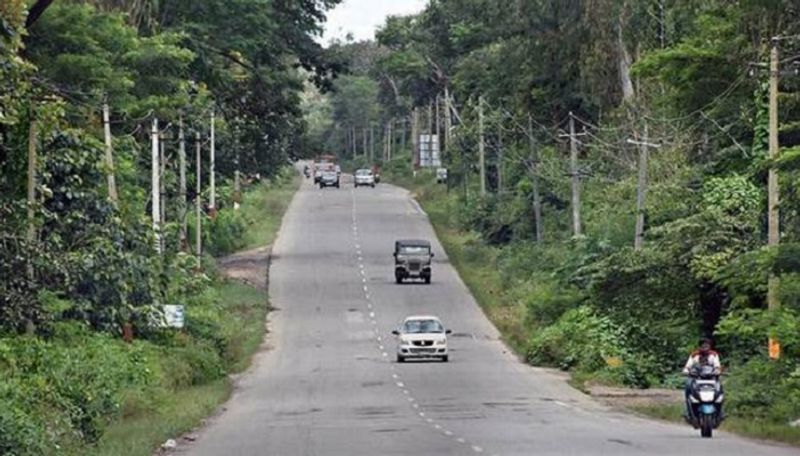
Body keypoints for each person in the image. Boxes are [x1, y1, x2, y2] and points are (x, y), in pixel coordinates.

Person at [682, 337, 723, 420]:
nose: (705, 348)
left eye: (707, 346)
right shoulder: (694, 355)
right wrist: (686, 371)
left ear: (710, 346)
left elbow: (717, 366)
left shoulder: (714, 355)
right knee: (688, 386)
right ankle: (688, 411)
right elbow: (688, 366)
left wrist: (718, 371)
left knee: (720, 390)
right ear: (700, 347)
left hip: (711, 378)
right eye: (703, 346)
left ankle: (720, 412)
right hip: (696, 378)